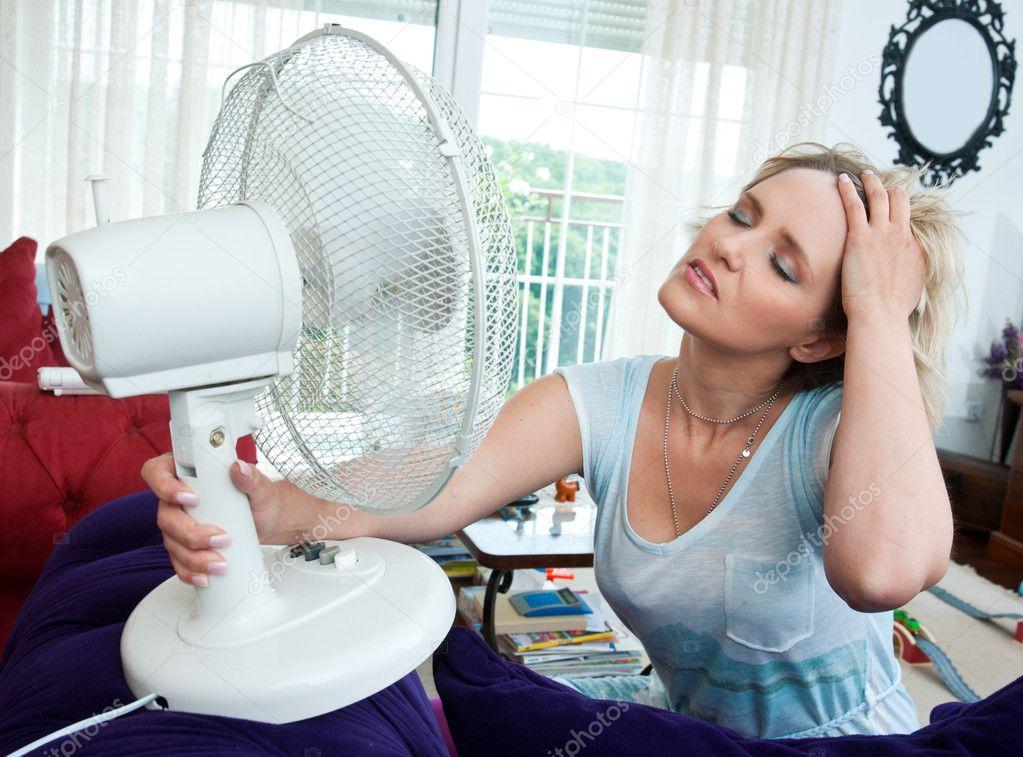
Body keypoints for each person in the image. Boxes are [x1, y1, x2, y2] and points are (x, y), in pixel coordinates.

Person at [143, 142, 966, 739]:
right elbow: (436, 486)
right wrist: (268, 509)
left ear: (821, 340)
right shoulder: (602, 398)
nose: (727, 244)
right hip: (685, 739)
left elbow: (881, 570)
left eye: (782, 265)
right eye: (740, 215)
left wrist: (881, 314)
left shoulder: (833, 431)